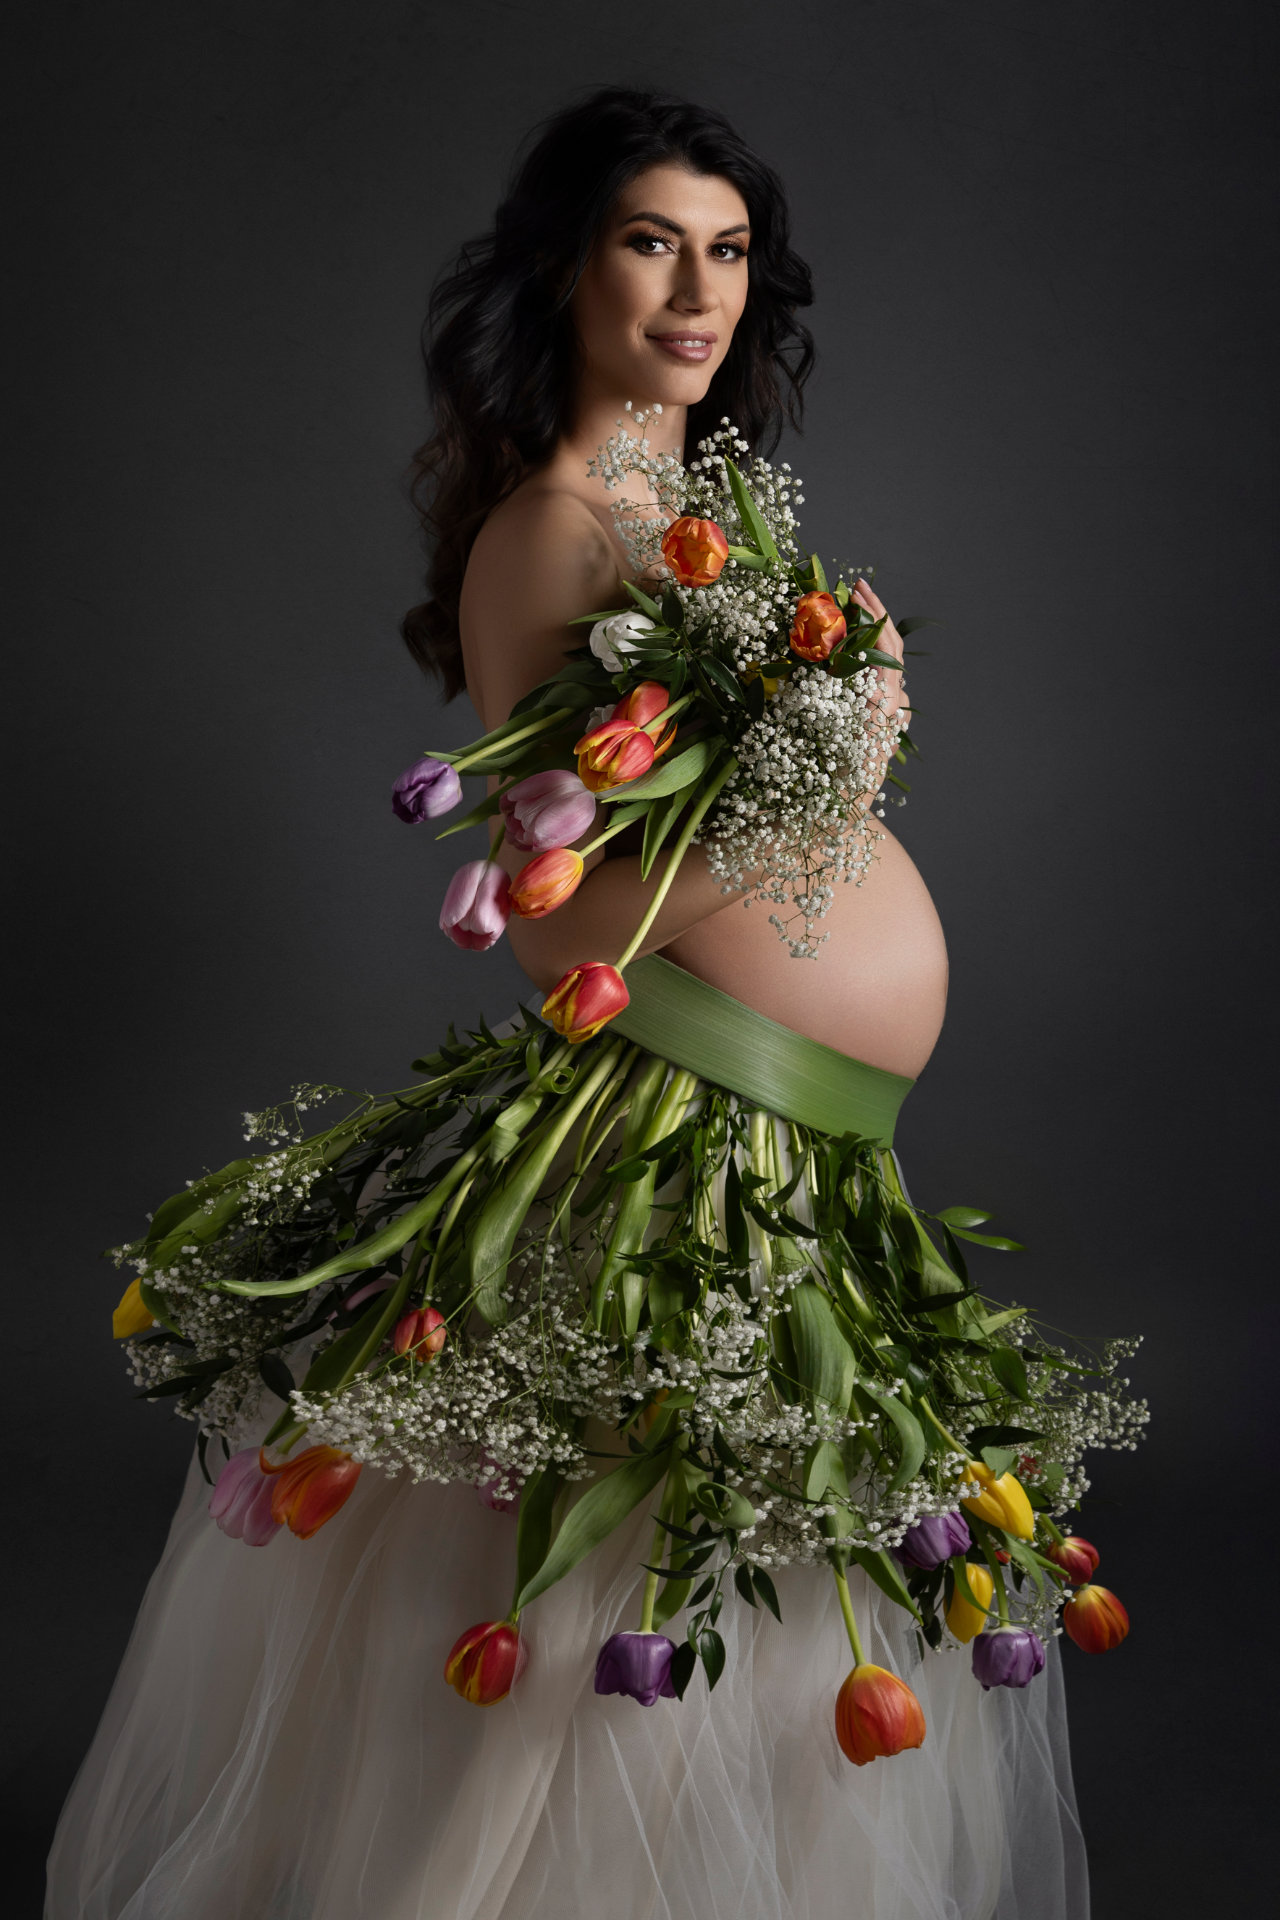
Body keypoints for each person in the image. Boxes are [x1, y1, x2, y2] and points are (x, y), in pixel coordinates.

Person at [46, 87, 1091, 1920]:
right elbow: (561, 925)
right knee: (633, 1533)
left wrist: (840, 729)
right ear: (563, 272)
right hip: (681, 1115)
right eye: (649, 243)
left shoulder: (702, 518)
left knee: (755, 1537)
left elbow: (713, 820)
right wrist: (832, 779)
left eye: (729, 252)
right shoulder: (551, 529)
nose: (698, 292)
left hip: (786, 1132)